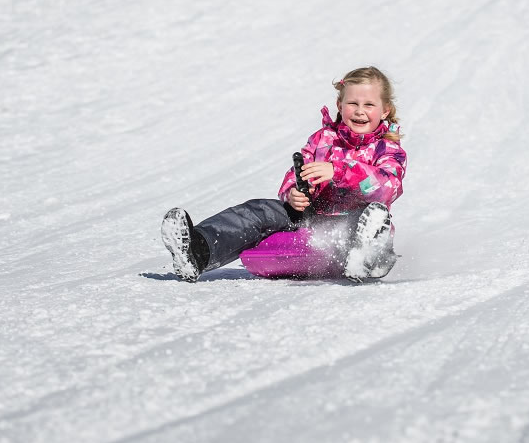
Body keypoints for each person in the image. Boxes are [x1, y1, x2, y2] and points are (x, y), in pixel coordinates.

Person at [161, 66, 407, 282]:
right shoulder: (323, 139)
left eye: (369, 105)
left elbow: (388, 187)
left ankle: (364, 256)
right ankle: (198, 250)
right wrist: (293, 193)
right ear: (339, 106)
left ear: (385, 110)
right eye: (353, 103)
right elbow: (296, 174)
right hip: (311, 217)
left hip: (354, 223)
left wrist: (339, 171)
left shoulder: (388, 148)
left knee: (371, 215)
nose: (359, 111)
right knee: (259, 210)